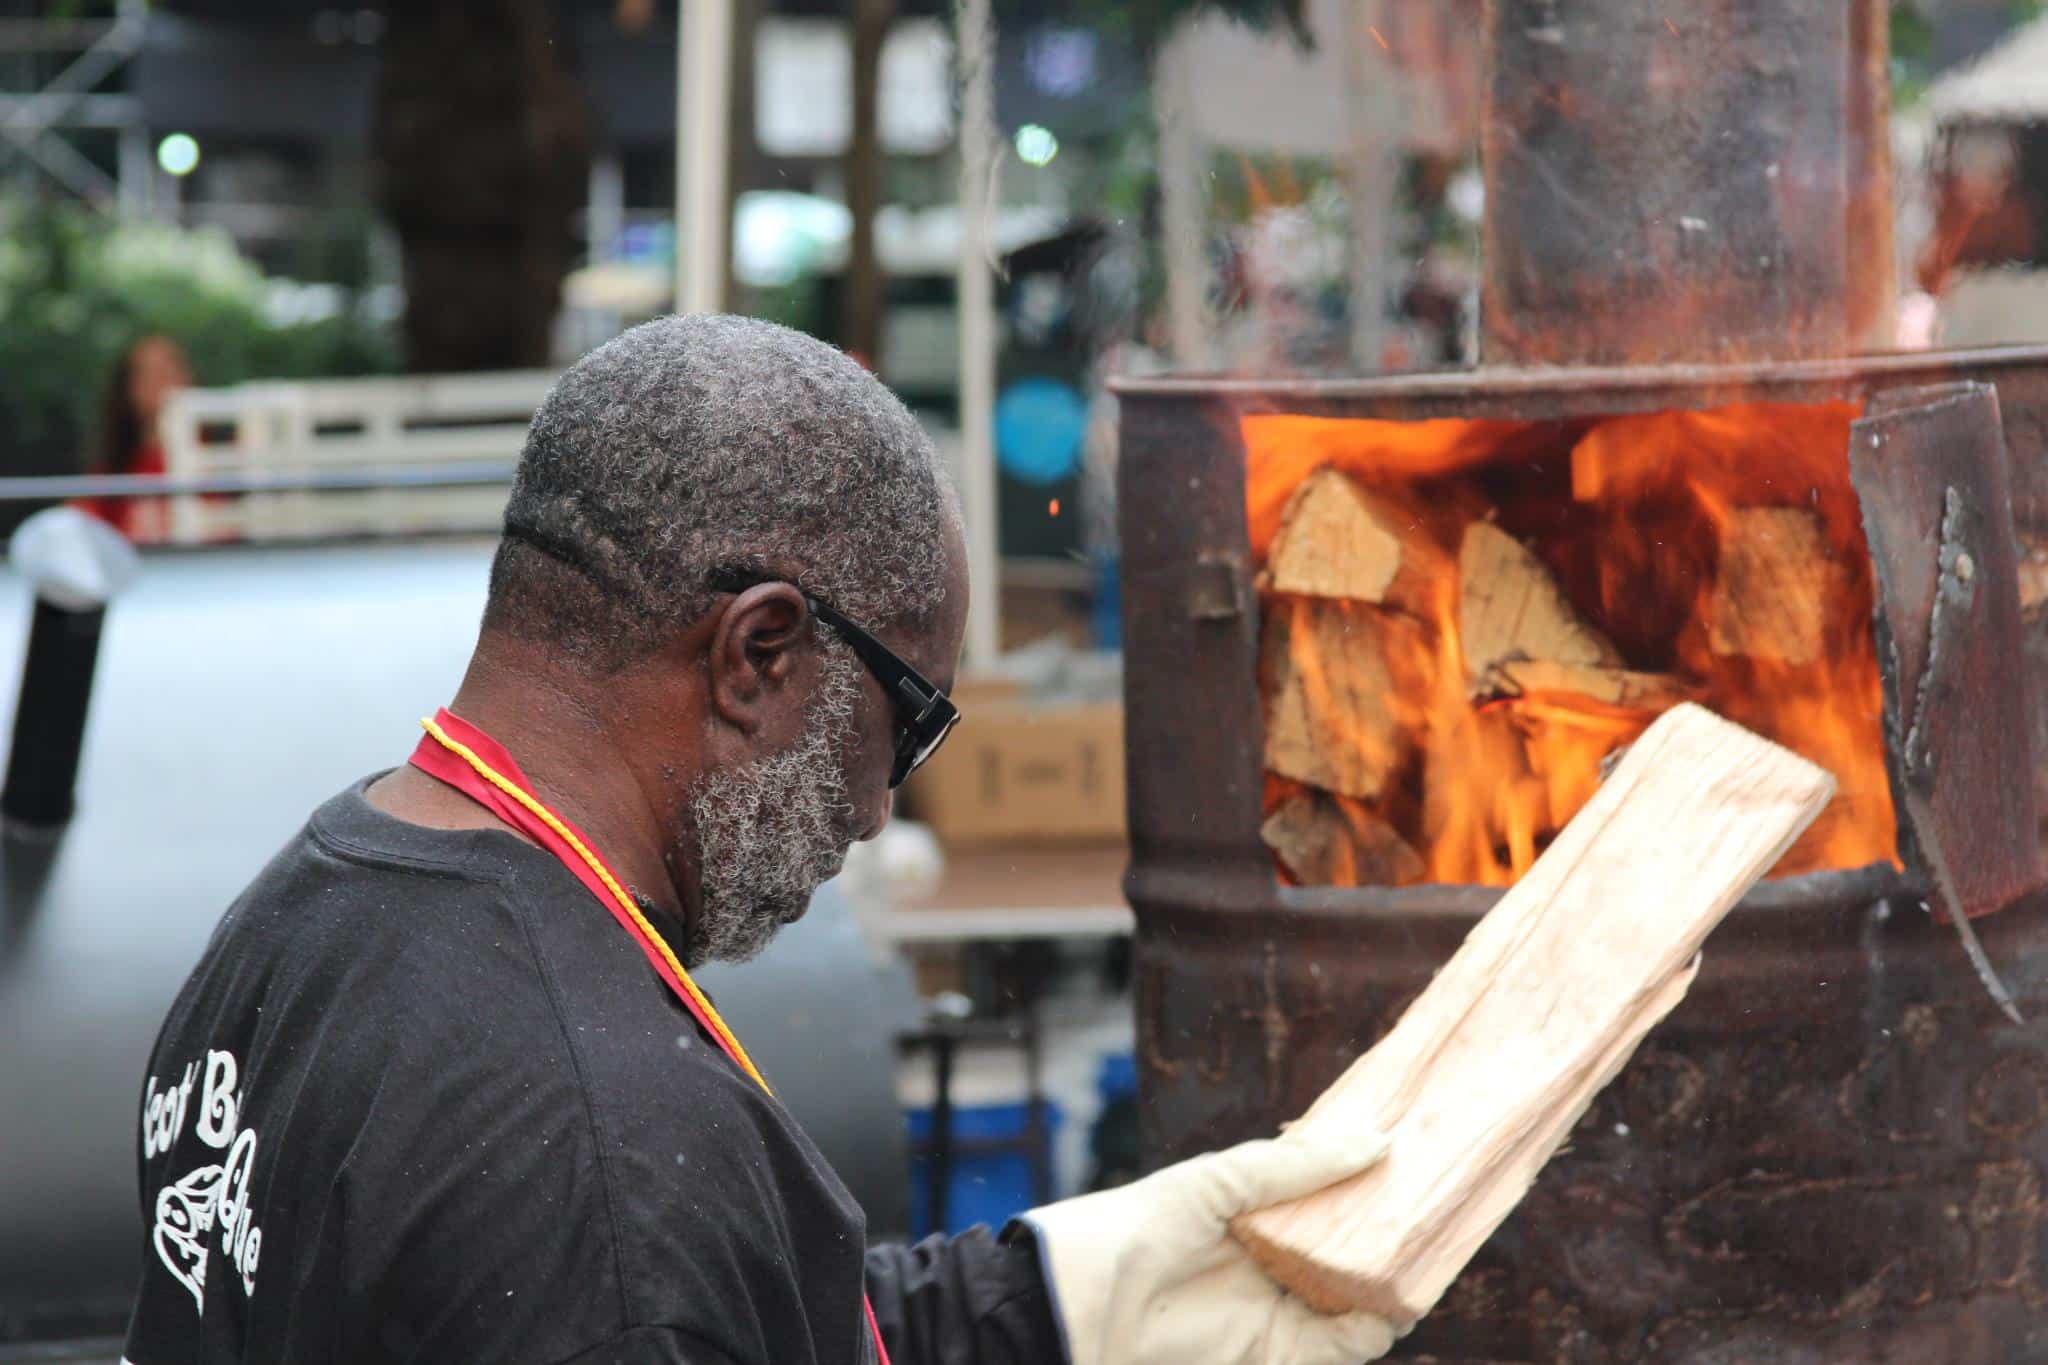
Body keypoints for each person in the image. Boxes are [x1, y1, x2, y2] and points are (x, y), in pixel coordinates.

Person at [120, 315, 1398, 1365]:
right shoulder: (606, 1159)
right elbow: (640, 1285)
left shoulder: (307, 905)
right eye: (908, 726)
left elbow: (719, 1312)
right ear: (759, 655)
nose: (882, 806)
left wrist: (1055, 1300)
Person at [79, 333, 191, 543]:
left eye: (170, 368)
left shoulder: (219, 459)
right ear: (128, 388)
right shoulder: (112, 473)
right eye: (147, 372)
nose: (161, 380)